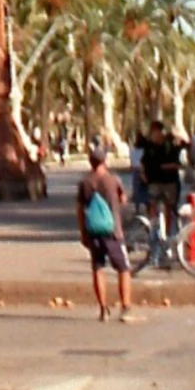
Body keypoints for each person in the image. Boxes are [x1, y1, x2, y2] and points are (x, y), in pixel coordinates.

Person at [77, 138, 133, 322]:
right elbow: (124, 199)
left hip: (93, 230)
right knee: (123, 268)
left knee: (98, 267)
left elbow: (80, 209)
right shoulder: (113, 180)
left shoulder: (85, 183)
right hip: (113, 231)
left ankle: (103, 308)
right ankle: (125, 306)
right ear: (105, 160)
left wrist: (83, 233)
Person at [134, 117, 184, 238]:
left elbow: (177, 164)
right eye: (153, 132)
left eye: (157, 132)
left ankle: (166, 234)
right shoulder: (149, 147)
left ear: (162, 132)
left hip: (169, 182)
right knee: (152, 205)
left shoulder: (171, 145)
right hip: (153, 182)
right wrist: (143, 174)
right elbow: (142, 162)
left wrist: (161, 167)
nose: (155, 135)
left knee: (169, 207)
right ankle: (154, 232)